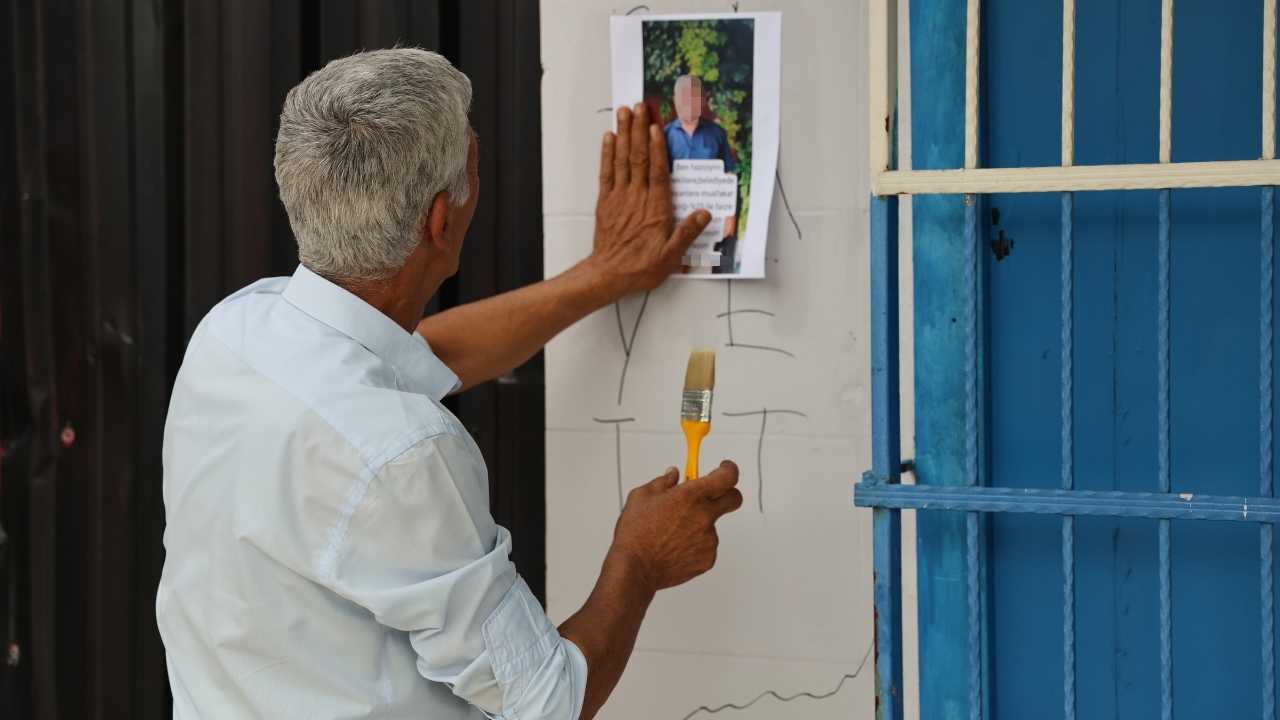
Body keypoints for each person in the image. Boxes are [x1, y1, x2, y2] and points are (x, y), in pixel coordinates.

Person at [156, 49, 743, 720]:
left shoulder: (236, 331)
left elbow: (424, 352)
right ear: (441, 219)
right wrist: (638, 562)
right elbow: (548, 703)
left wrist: (602, 275)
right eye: (475, 163)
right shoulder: (402, 450)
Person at [663, 74, 739, 273]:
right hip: (677, 222)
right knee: (679, 274)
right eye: (685, 97)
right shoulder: (665, 136)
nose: (690, 102)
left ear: (703, 100)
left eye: (695, 97)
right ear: (676, 99)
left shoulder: (717, 134)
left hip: (712, 221)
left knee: (713, 271)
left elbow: (729, 176)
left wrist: (730, 218)